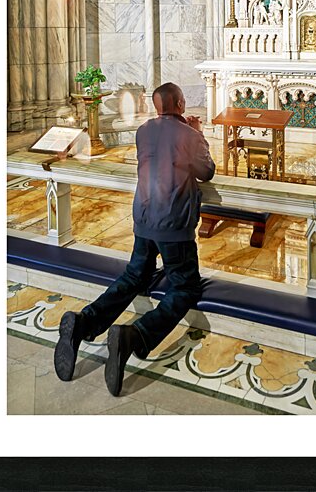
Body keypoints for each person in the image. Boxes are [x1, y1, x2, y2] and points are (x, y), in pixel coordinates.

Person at [54, 82, 215, 396]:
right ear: (181, 104)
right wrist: (198, 133)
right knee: (185, 286)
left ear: (157, 106)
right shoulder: (189, 135)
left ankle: (83, 322)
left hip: (143, 218)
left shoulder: (143, 131)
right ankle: (135, 336)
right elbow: (206, 171)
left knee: (134, 274)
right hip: (172, 222)